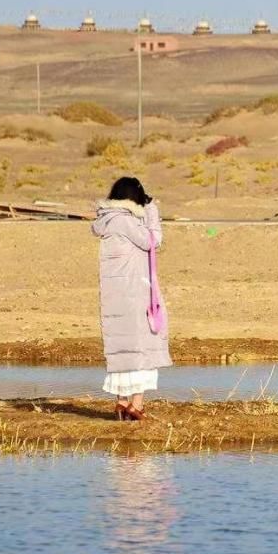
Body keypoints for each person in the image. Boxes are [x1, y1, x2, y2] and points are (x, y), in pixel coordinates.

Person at [92, 177, 170, 420]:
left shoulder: (109, 221)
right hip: (134, 295)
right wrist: (153, 211)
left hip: (116, 297)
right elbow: (152, 241)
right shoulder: (125, 221)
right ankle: (136, 404)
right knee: (140, 349)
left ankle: (122, 403)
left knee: (122, 349)